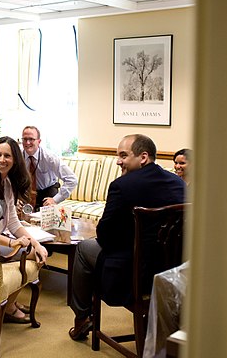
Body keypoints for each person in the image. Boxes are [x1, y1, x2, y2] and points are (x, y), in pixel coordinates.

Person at [68, 134, 185, 341]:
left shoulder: (121, 185)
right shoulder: (178, 184)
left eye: (123, 155)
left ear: (143, 157)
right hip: (171, 269)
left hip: (134, 270)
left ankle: (82, 318)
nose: (118, 161)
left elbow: (103, 236)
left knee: (83, 249)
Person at [0, 136, 49, 323]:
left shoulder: (7, 183)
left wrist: (36, 243)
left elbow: (13, 223)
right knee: (28, 254)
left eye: (7, 156)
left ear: (15, 160)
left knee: (35, 251)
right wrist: (13, 243)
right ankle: (8, 306)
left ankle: (10, 301)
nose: (2, 160)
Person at [21, 126, 77, 211]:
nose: (27, 143)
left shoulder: (49, 157)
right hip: (27, 192)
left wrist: (55, 199)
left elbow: (72, 179)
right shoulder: (18, 156)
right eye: (25, 139)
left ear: (39, 141)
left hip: (48, 191)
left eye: (31, 139)